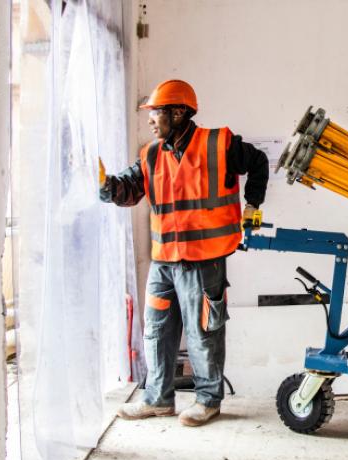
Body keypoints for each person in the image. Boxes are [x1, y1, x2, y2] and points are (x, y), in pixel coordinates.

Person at [99, 79, 268, 426]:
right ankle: (158, 399)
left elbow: (259, 161)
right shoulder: (150, 155)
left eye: (155, 112)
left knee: (203, 331)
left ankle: (208, 401)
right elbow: (128, 191)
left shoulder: (218, 144)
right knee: (157, 330)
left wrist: (253, 204)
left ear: (178, 113)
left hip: (204, 258)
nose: (150, 120)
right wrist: (102, 184)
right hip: (164, 260)